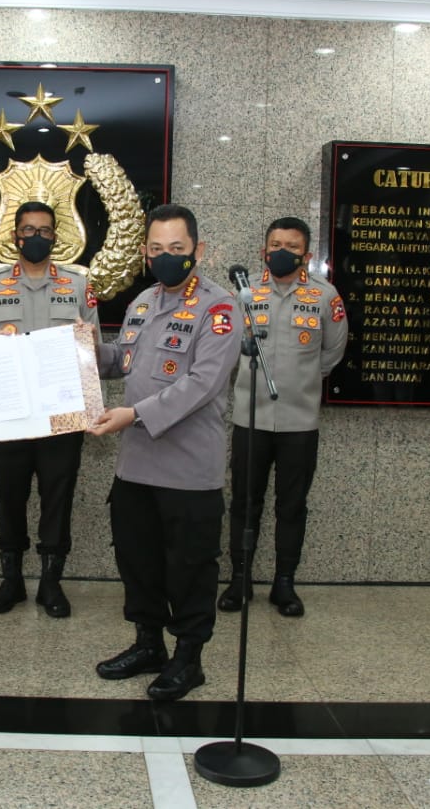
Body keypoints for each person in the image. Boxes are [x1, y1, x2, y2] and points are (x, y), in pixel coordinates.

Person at [88, 203, 241, 702]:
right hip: (136, 466)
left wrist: (132, 414)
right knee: (139, 561)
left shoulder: (220, 309)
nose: (166, 257)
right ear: (144, 252)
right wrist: (83, 349)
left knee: (191, 568)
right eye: (156, 249)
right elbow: (122, 360)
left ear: (199, 250)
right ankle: (148, 644)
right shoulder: (143, 301)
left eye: (177, 248)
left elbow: (201, 384)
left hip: (188, 469)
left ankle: (189, 659)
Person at [0, 201, 100, 617]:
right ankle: (11, 580)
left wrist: (91, 409)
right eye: (28, 230)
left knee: (58, 497)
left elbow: (93, 350)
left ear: (55, 237)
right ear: (15, 236)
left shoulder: (78, 285)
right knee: (9, 497)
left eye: (44, 231)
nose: (36, 237)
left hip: (63, 414)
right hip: (10, 414)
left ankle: (50, 582)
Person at [218, 216, 347, 618]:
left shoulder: (325, 296)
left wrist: (299, 381)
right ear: (263, 250)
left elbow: (332, 353)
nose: (281, 252)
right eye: (275, 245)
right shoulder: (243, 294)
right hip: (249, 419)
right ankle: (240, 579)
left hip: (299, 422)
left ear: (306, 255)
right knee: (244, 502)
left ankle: (284, 583)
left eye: (291, 247)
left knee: (291, 506)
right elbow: (227, 349)